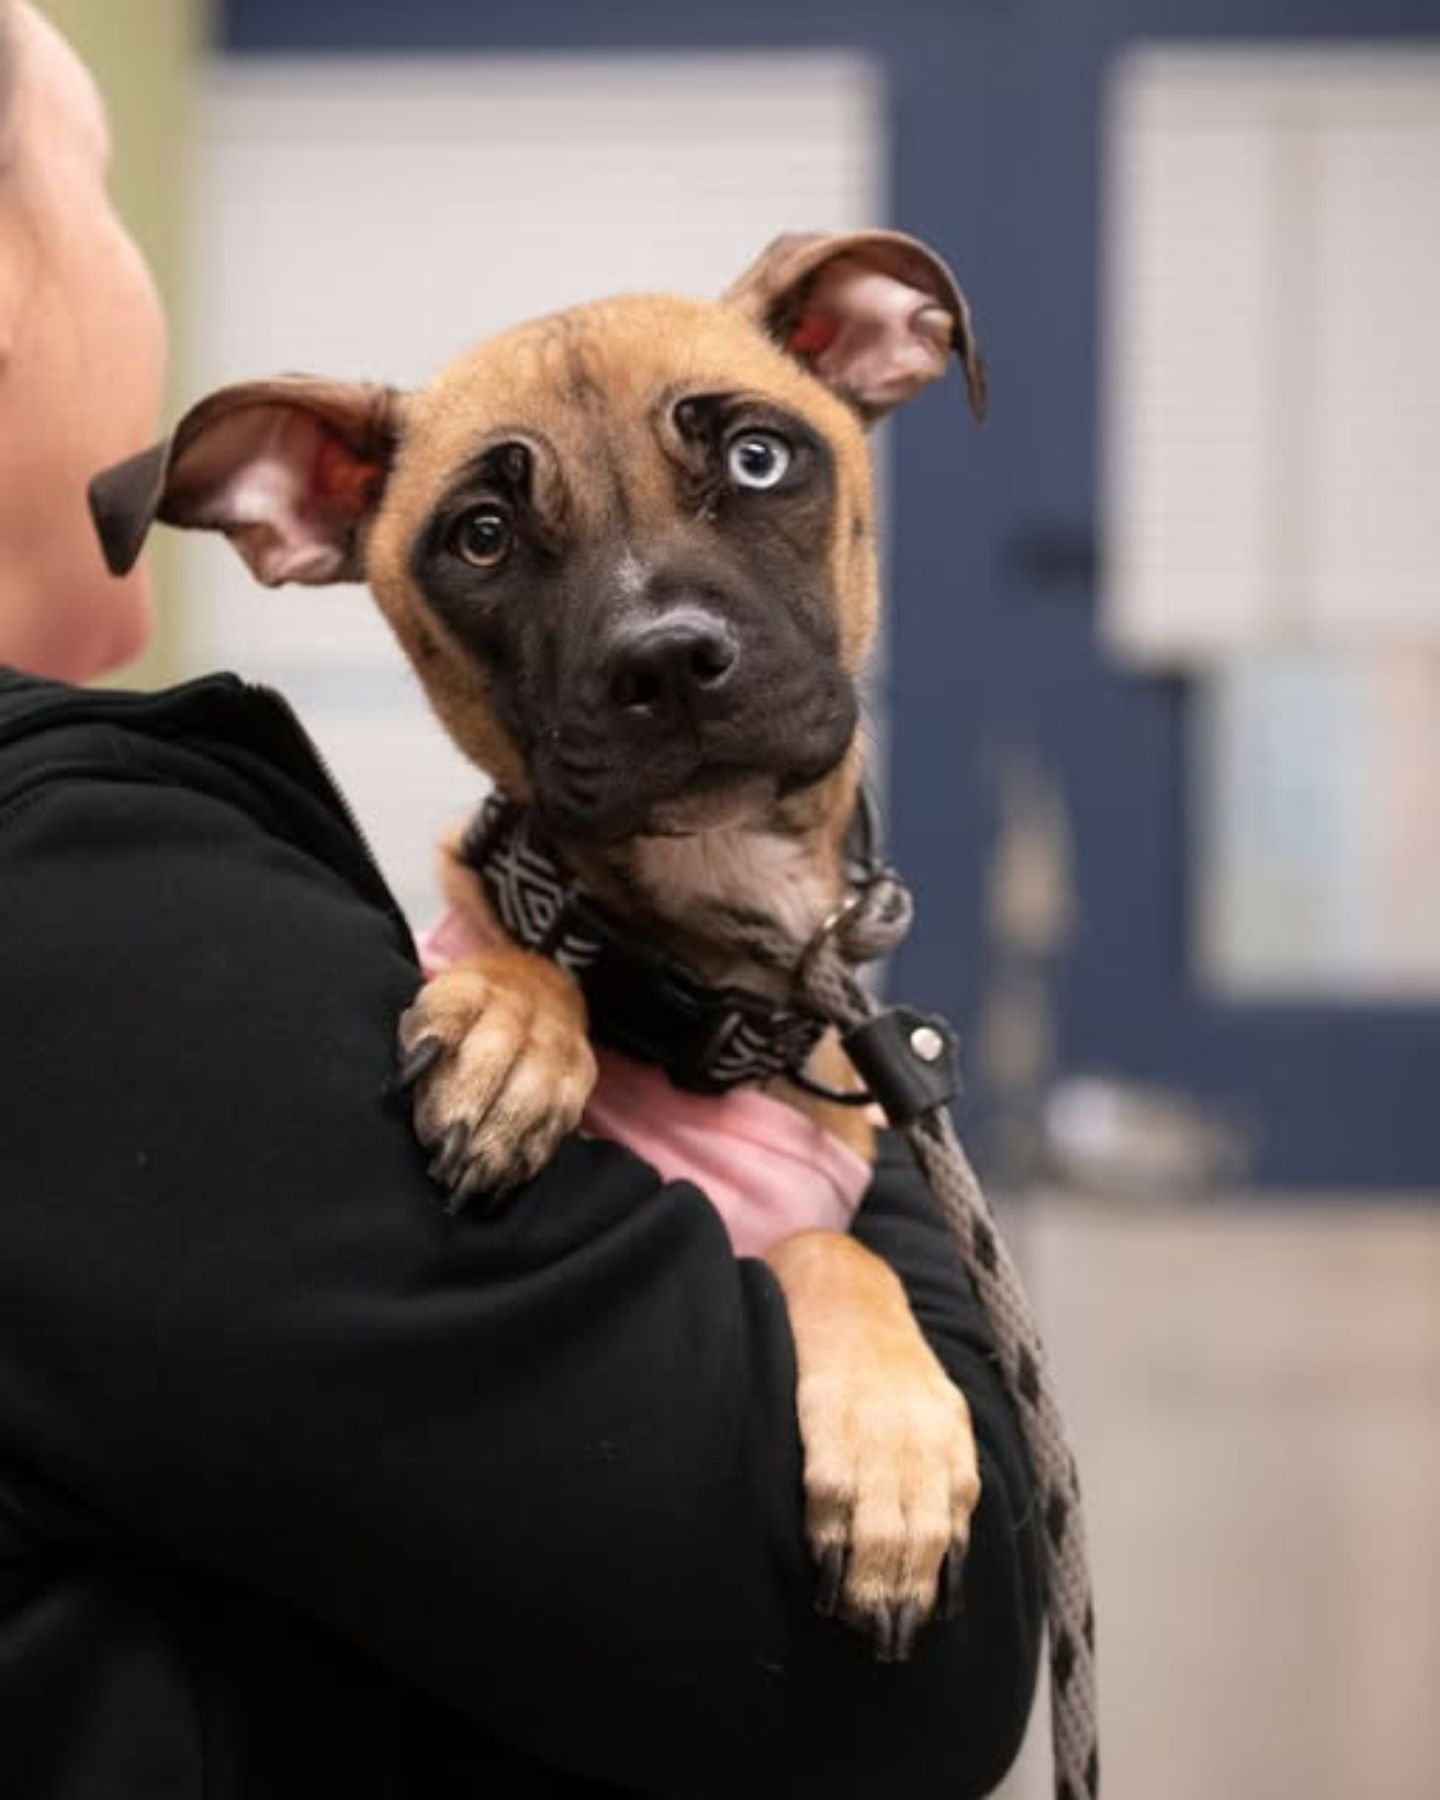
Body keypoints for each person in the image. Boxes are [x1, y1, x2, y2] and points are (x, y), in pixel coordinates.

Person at [0, 5, 1043, 1795]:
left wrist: (830, 1112)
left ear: (880, 348)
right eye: (489, 537)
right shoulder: (86, 900)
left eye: (757, 462)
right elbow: (901, 1691)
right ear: (294, 519)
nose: (661, 621)